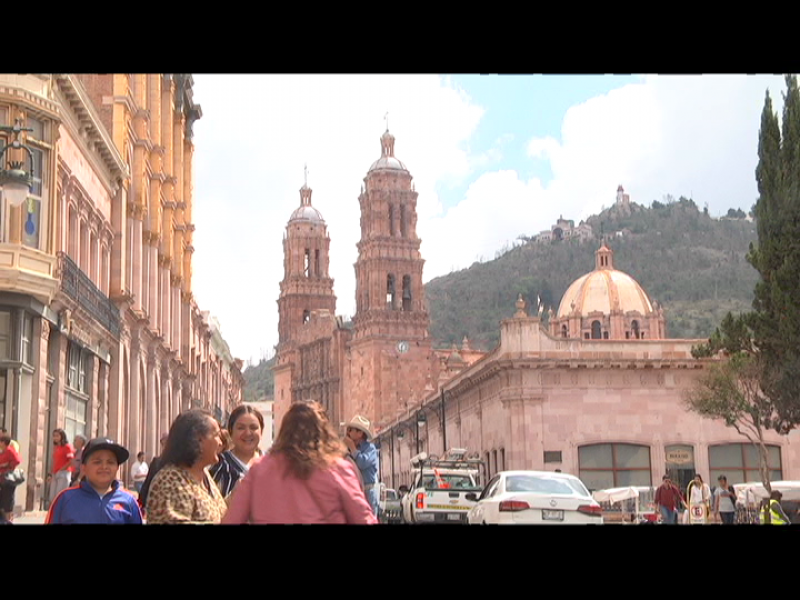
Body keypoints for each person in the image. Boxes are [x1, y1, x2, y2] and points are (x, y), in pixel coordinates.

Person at [223, 401, 377, 524]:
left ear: (285, 430)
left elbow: (232, 519)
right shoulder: (338, 469)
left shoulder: (259, 470)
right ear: (323, 431)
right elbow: (364, 519)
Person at [146, 409, 227, 524]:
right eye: (217, 435)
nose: (220, 443)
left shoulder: (204, 476)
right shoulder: (170, 481)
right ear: (199, 439)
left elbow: (219, 515)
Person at [45, 437, 142, 524]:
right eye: (97, 462)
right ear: (84, 468)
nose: (104, 467)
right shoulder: (65, 499)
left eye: (110, 462)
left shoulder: (129, 502)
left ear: (117, 468)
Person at [210, 405, 264, 498]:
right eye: (241, 428)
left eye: (253, 427)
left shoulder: (273, 465)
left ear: (261, 431)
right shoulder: (220, 466)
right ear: (231, 431)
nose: (247, 433)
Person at [343, 414, 379, 516]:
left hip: (368, 492)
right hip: (353, 493)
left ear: (360, 433)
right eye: (348, 430)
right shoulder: (347, 449)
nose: (349, 432)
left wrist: (353, 448)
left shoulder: (370, 448)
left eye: (351, 430)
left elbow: (362, 463)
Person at [138, 432, 168, 510]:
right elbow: (148, 482)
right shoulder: (156, 462)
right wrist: (142, 502)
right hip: (157, 505)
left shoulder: (180, 464)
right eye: (164, 444)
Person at [49, 429, 75, 506]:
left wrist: (61, 469)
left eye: (57, 436)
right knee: (52, 497)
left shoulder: (67, 447)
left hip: (64, 473)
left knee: (59, 496)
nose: (55, 438)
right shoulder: (56, 447)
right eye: (54, 436)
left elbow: (71, 461)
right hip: (55, 473)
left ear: (62, 436)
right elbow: (54, 461)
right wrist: (51, 473)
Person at [0, 434, 22, 521]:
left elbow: (17, 460)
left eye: (1, 441)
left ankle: (9, 518)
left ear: (4, 443)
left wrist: (8, 465)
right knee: (3, 497)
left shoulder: (10, 451)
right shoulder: (3, 452)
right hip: (2, 478)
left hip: (9, 478)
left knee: (8, 497)